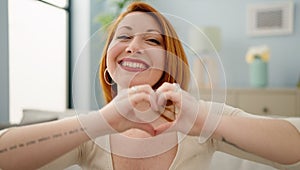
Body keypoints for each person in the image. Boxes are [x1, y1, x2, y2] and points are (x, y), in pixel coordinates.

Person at [0, 2, 299, 170]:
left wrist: (205, 120)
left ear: (169, 63)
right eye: (124, 36)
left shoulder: (200, 121)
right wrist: (103, 121)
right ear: (107, 64)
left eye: (152, 40)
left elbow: (293, 148)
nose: (134, 47)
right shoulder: (90, 133)